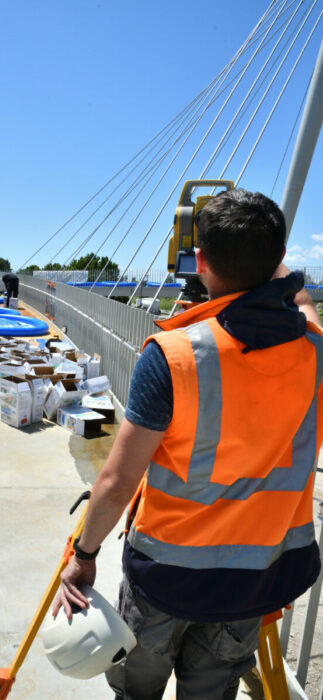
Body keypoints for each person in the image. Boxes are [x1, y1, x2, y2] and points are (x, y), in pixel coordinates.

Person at [52, 189, 323, 700]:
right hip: (255, 582)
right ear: (275, 257)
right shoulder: (314, 350)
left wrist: (84, 554)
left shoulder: (175, 356)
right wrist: (263, 254)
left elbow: (116, 482)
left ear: (200, 260)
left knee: (138, 688)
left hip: (166, 581)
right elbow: (301, 301)